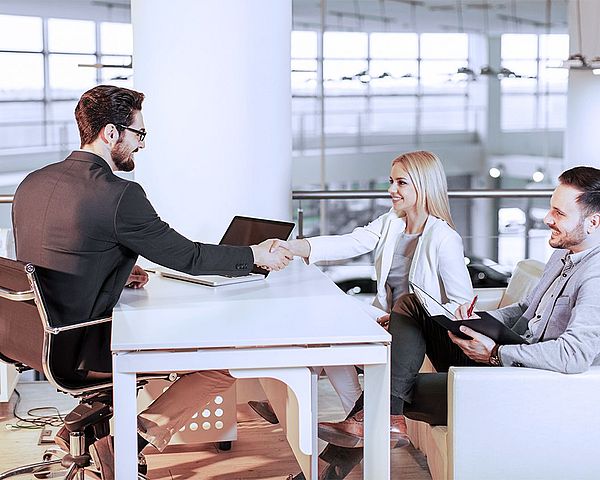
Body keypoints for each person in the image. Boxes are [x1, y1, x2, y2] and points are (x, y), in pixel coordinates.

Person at [11, 85, 292, 480]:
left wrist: (120, 269)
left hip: (33, 337)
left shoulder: (32, 183)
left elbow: (54, 255)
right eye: (139, 134)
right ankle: (130, 439)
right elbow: (189, 257)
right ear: (112, 133)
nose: (141, 145)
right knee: (220, 362)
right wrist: (255, 256)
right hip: (83, 346)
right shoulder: (118, 194)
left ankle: (81, 424)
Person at [316, 166, 600, 479]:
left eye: (558, 213)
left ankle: (357, 442)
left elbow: (574, 355)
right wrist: (474, 322)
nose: (547, 219)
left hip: (523, 383)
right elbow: (524, 308)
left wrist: (495, 353)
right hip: (505, 358)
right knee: (409, 304)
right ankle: (384, 419)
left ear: (594, 222)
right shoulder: (565, 252)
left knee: (392, 390)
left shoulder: (595, 276)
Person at [254, 150, 473, 448]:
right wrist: (293, 247)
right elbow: (351, 242)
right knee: (327, 311)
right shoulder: (392, 222)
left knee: (331, 338)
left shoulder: (444, 238)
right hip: (387, 318)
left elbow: (462, 306)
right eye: (391, 181)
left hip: (424, 331)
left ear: (423, 186)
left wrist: (405, 320)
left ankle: (303, 400)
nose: (391, 190)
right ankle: (351, 419)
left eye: (401, 183)